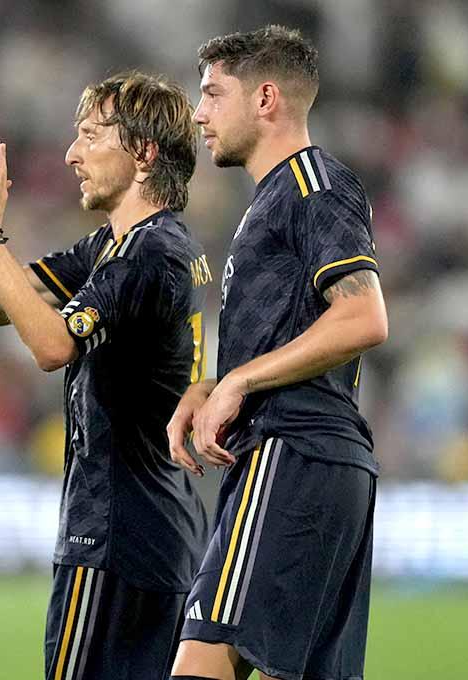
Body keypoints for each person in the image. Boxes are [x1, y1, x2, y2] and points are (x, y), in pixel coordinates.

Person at [0, 73, 210, 680]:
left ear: (144, 153)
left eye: (90, 136)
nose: (72, 153)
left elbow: (50, 346)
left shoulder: (145, 256)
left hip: (116, 535)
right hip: (162, 529)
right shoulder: (125, 245)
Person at [166, 26, 389, 680]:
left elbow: (363, 315)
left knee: (202, 664)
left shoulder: (312, 182)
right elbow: (297, 327)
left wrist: (239, 380)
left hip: (291, 449)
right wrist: (212, 387)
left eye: (212, 94)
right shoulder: (273, 198)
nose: (199, 112)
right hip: (310, 458)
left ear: (266, 99)